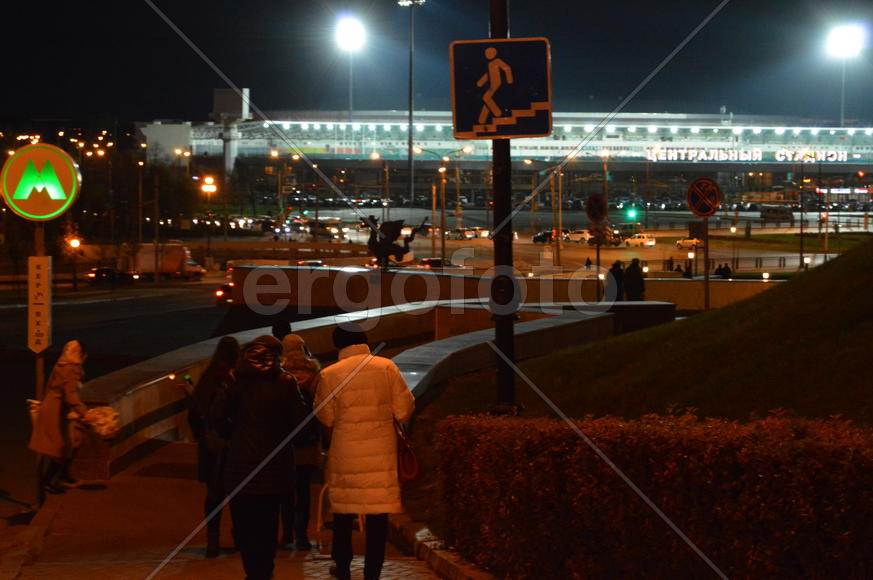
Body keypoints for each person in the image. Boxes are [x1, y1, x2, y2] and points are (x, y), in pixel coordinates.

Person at [315, 323, 415, 580]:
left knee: (343, 516)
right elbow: (403, 409)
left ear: (339, 345)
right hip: (380, 453)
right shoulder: (386, 367)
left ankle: (344, 568)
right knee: (378, 517)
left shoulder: (330, 374)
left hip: (346, 452)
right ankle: (373, 572)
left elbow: (325, 416)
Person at [211, 335, 310, 580]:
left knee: (245, 527)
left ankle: (252, 573)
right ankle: (264, 574)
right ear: (277, 357)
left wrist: (232, 434)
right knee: (267, 528)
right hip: (275, 470)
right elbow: (302, 428)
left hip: (239, 467)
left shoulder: (234, 380)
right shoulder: (286, 382)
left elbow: (216, 417)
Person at [188, 336, 239, 558]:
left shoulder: (208, 378)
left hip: (210, 447)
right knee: (238, 495)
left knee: (213, 495)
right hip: (234, 446)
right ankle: (239, 538)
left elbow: (194, 414)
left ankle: (213, 540)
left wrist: (202, 437)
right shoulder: (237, 379)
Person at [29, 340, 89, 497]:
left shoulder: (60, 365)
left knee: (68, 442)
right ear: (81, 355)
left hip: (50, 407)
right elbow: (70, 395)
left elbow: (49, 386)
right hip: (56, 411)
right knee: (61, 446)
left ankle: (62, 476)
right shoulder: (73, 369)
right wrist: (84, 412)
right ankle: (49, 481)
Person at [279, 334, 322, 551]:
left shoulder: (279, 374)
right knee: (304, 490)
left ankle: (286, 533)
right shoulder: (314, 373)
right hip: (307, 442)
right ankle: (302, 535)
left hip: (284, 444)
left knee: (285, 490)